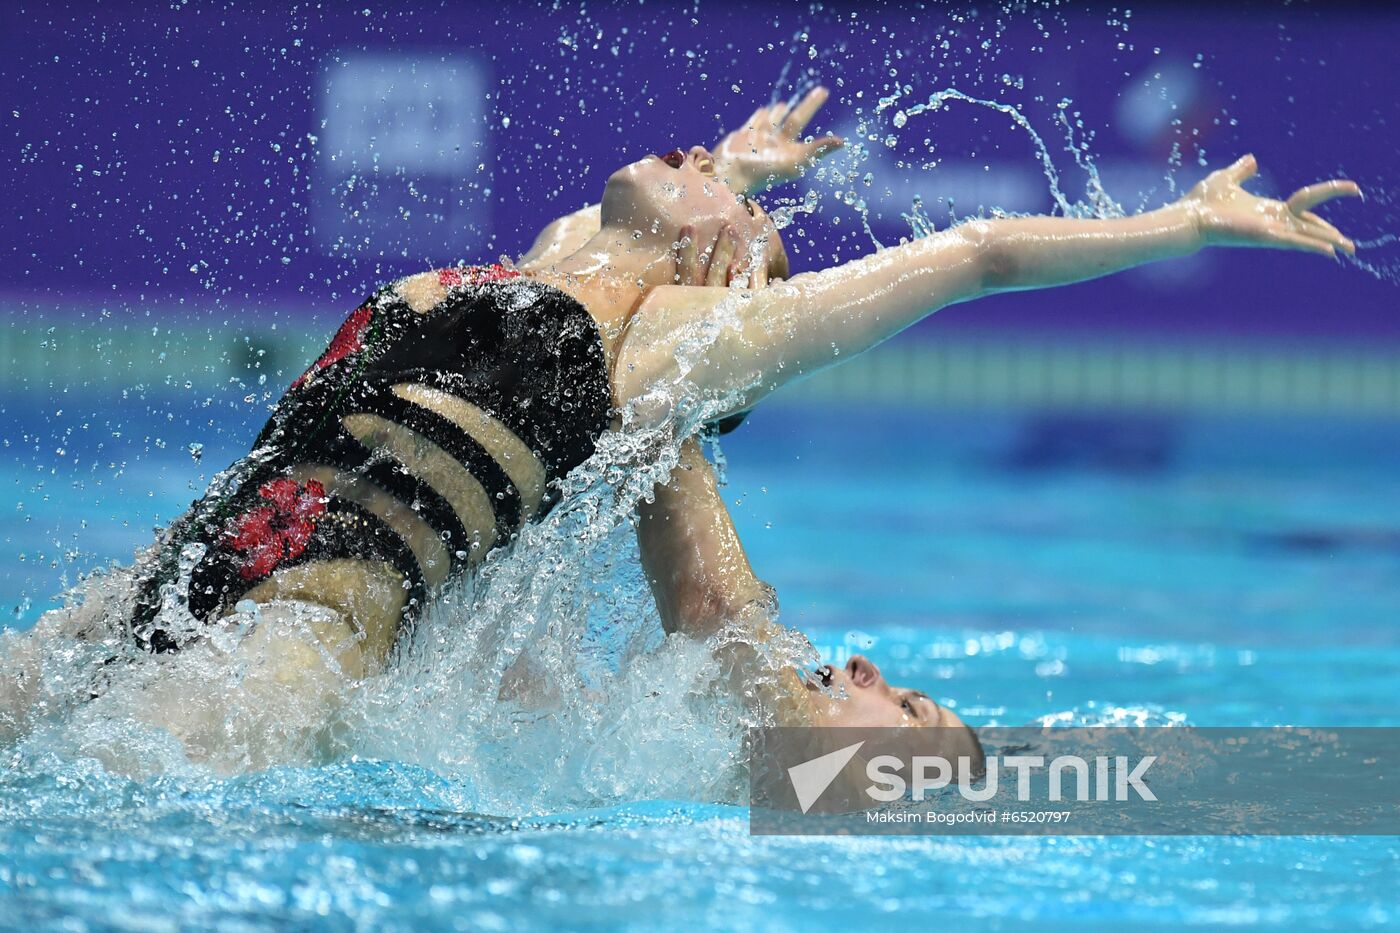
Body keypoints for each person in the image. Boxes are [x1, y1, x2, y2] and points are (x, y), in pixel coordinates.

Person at [0, 86, 1360, 765]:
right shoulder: (541, 274)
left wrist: (1178, 221)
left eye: (722, 186)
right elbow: (608, 232)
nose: (700, 157)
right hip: (169, 580)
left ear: (729, 277)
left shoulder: (665, 357)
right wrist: (739, 171)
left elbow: (983, 248)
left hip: (298, 643)